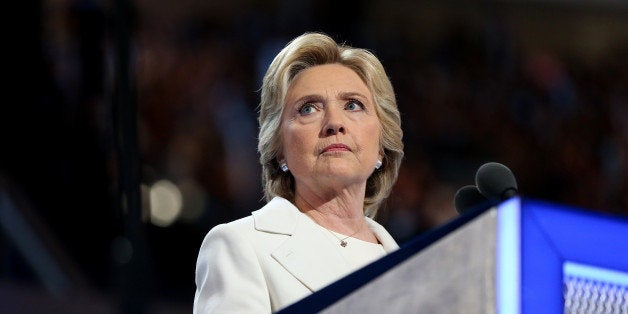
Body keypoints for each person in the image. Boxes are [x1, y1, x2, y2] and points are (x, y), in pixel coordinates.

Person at [193, 32, 404, 313]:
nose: (334, 123)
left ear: (381, 145)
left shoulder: (410, 262)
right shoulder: (239, 246)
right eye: (308, 108)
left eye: (353, 105)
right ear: (279, 149)